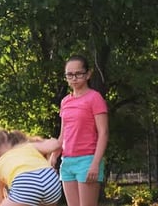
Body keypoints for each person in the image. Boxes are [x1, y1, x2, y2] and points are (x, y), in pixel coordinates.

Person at [49, 54, 109, 206]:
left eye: (78, 74)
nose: (74, 78)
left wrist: (95, 163)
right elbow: (63, 135)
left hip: (87, 160)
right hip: (67, 162)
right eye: (69, 75)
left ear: (88, 74)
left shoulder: (94, 98)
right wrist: (54, 157)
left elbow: (103, 133)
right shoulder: (65, 102)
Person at [0, 130, 62, 206]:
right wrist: (52, 159)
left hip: (25, 183)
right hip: (51, 180)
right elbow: (56, 144)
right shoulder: (27, 146)